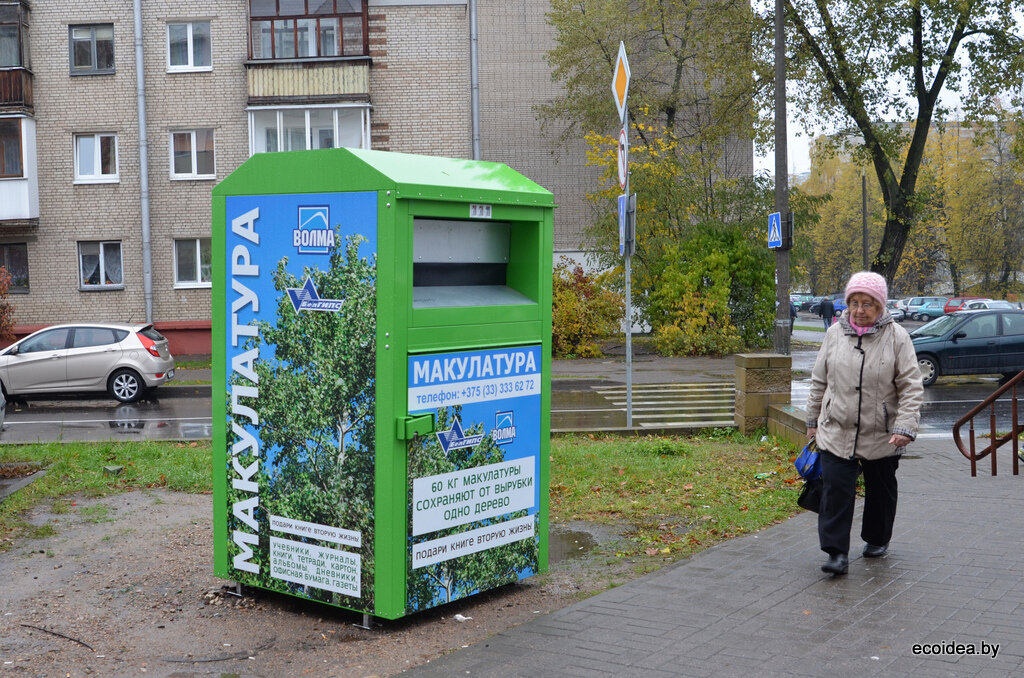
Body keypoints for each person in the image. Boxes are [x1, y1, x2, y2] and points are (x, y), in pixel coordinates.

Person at [805, 271, 923, 576]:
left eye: (867, 303)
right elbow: (819, 380)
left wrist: (905, 426)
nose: (859, 309)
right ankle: (836, 553)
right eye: (854, 302)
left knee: (881, 490)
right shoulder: (834, 334)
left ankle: (877, 538)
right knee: (835, 491)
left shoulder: (897, 337)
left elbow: (911, 386)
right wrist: (813, 419)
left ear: (880, 306)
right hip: (836, 428)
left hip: (881, 433)